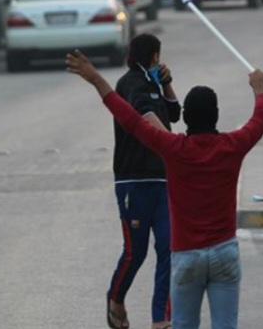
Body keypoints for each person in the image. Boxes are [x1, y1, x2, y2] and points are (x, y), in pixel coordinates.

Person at [67, 49, 263, 329]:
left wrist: (96, 79)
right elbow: (262, 119)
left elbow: (129, 118)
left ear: (185, 118)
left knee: (183, 323)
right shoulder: (232, 146)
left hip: (186, 254)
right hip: (224, 251)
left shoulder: (173, 148)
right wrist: (259, 88)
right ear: (216, 115)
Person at [108, 33, 181, 329]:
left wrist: (166, 83)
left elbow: (175, 113)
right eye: (157, 56)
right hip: (133, 181)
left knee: (168, 248)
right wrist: (175, 147)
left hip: (162, 180)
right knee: (135, 252)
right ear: (152, 55)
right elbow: (144, 114)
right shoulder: (129, 84)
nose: (159, 61)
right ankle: (115, 299)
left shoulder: (153, 82)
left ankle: (160, 319)